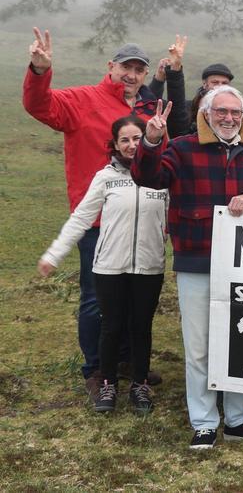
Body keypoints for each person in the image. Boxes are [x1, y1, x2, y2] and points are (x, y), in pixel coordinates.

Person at [131, 85, 243, 449]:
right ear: (206, 113)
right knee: (200, 346)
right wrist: (152, 142)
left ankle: (238, 419)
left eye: (236, 113)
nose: (229, 118)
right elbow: (148, 178)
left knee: (241, 342)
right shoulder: (182, 148)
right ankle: (204, 422)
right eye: (222, 111)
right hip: (197, 260)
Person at [23, 28, 180, 398]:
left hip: (142, 221)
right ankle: (95, 368)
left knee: (133, 297)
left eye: (139, 70)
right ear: (111, 67)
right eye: (126, 66)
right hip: (98, 222)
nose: (132, 75)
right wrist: (39, 70)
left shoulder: (147, 110)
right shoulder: (82, 99)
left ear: (145, 75)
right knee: (97, 299)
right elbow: (38, 106)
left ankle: (124, 360)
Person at [37, 116, 168, 414]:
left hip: (149, 265)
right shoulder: (105, 177)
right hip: (109, 266)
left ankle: (139, 385)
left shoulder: (162, 177)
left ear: (148, 139)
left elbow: (175, 216)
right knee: (111, 326)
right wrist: (54, 254)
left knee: (141, 326)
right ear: (115, 144)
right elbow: (82, 218)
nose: (132, 145)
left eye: (138, 138)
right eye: (125, 140)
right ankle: (107, 383)